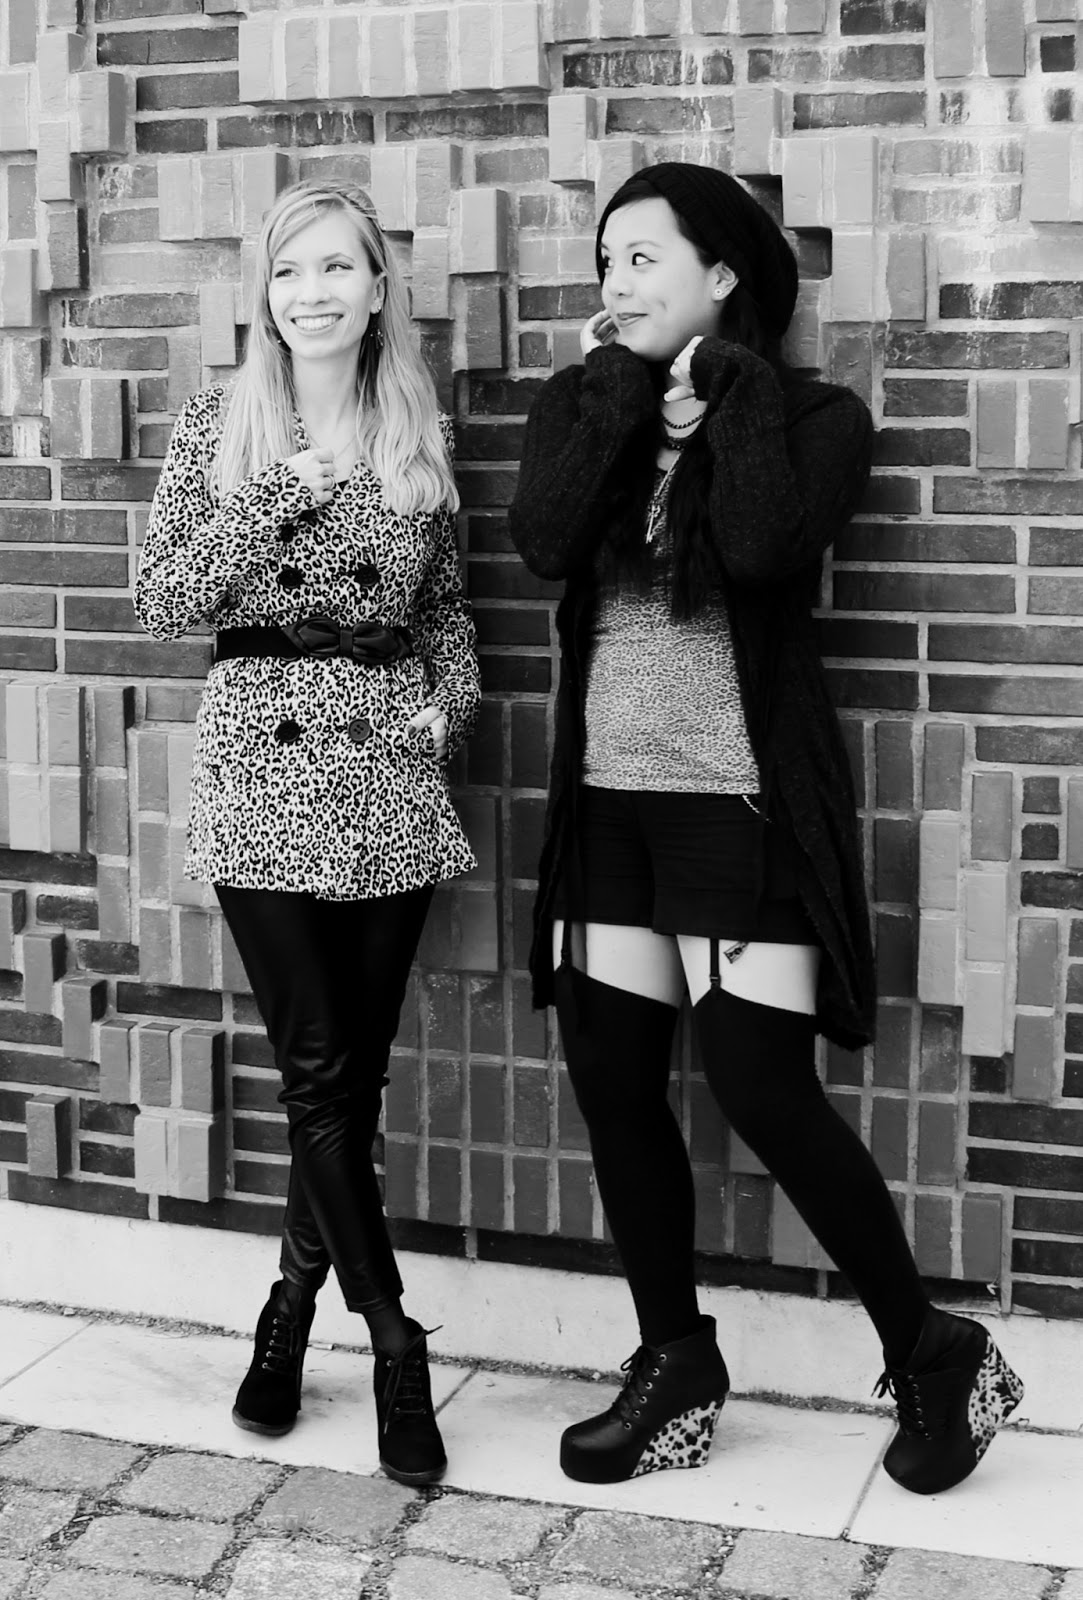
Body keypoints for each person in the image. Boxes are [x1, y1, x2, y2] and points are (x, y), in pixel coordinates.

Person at [508, 162, 1023, 1496]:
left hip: (740, 810)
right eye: (605, 262)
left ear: (723, 272)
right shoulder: (585, 402)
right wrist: (621, 397)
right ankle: (675, 1362)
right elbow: (546, 540)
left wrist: (723, 399)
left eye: (643, 257)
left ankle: (934, 1351)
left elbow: (759, 548)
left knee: (762, 1091)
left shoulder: (814, 417)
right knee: (613, 1082)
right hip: (609, 809)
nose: (614, 281)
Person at [135, 178, 480, 1486]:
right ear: (264, 297)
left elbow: (445, 612)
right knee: (319, 1073)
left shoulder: (417, 436)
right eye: (289, 272)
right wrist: (278, 495)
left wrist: (449, 705)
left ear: (377, 287)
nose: (313, 293)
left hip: (384, 763)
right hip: (261, 763)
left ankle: (287, 1312)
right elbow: (162, 595)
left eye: (337, 267)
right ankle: (395, 1343)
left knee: (350, 1080)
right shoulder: (218, 427)